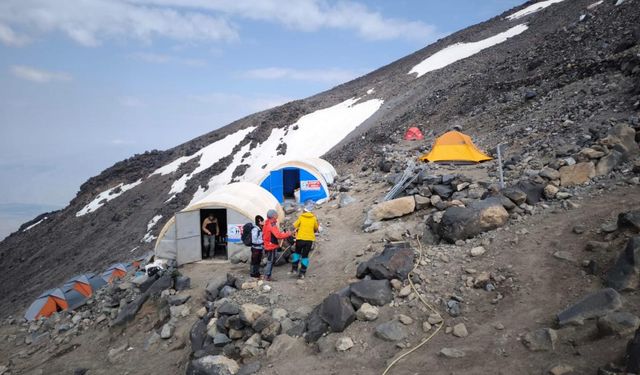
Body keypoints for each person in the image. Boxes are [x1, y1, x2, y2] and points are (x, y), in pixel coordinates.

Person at [290, 203, 319, 279]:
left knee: (297, 253)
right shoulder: (314, 218)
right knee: (305, 256)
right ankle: (302, 273)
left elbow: (294, 226)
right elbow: (316, 229)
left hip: (300, 239)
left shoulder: (301, 217)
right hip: (309, 241)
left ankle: (294, 269)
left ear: (305, 211)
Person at [262, 209, 292, 281]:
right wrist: (288, 234)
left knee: (270, 260)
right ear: (273, 216)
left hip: (268, 244)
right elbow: (278, 236)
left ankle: (267, 275)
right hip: (271, 246)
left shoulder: (267, 223)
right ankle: (267, 276)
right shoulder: (272, 225)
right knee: (270, 261)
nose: (277, 216)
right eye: (276, 215)